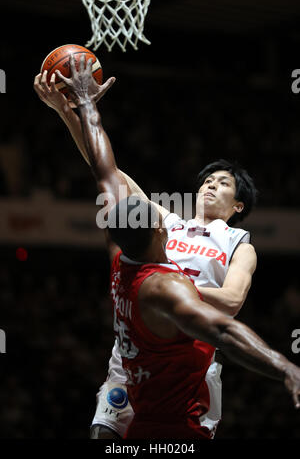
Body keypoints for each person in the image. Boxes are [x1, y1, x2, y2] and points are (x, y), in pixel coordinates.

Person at [40, 57, 300, 440]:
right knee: (103, 434)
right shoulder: (164, 220)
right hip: (133, 355)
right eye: (207, 179)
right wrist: (68, 112)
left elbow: (229, 303)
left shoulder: (239, 244)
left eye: (223, 183)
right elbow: (108, 171)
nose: (211, 185)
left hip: (189, 358)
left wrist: (167, 295)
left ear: (239, 205)